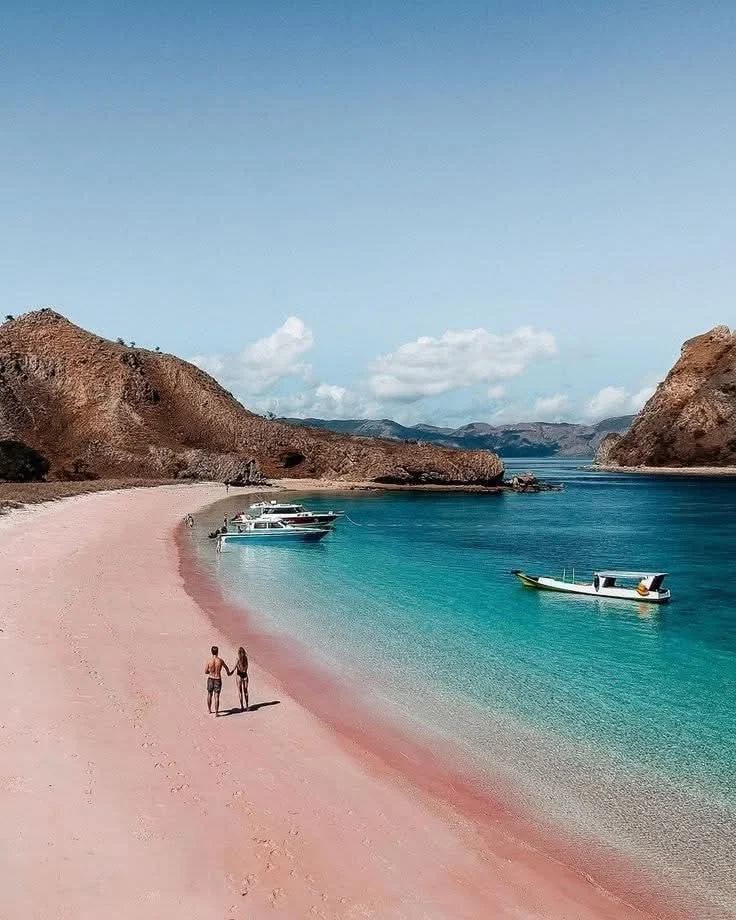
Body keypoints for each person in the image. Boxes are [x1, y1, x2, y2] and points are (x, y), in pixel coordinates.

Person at [205, 645, 232, 716]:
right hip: (217, 679)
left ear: (211, 652)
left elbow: (205, 671)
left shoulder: (209, 661)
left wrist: (210, 671)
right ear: (217, 652)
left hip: (211, 678)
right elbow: (226, 668)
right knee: (216, 696)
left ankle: (209, 710)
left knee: (209, 694)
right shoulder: (220, 660)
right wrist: (229, 673)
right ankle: (216, 712)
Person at [233, 646, 249, 711]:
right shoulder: (246, 658)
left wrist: (230, 672)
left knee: (240, 691)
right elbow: (246, 667)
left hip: (239, 675)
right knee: (246, 691)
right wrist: (244, 670)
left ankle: (242, 706)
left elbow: (235, 667)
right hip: (245, 675)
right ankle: (247, 706)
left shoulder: (238, 658)